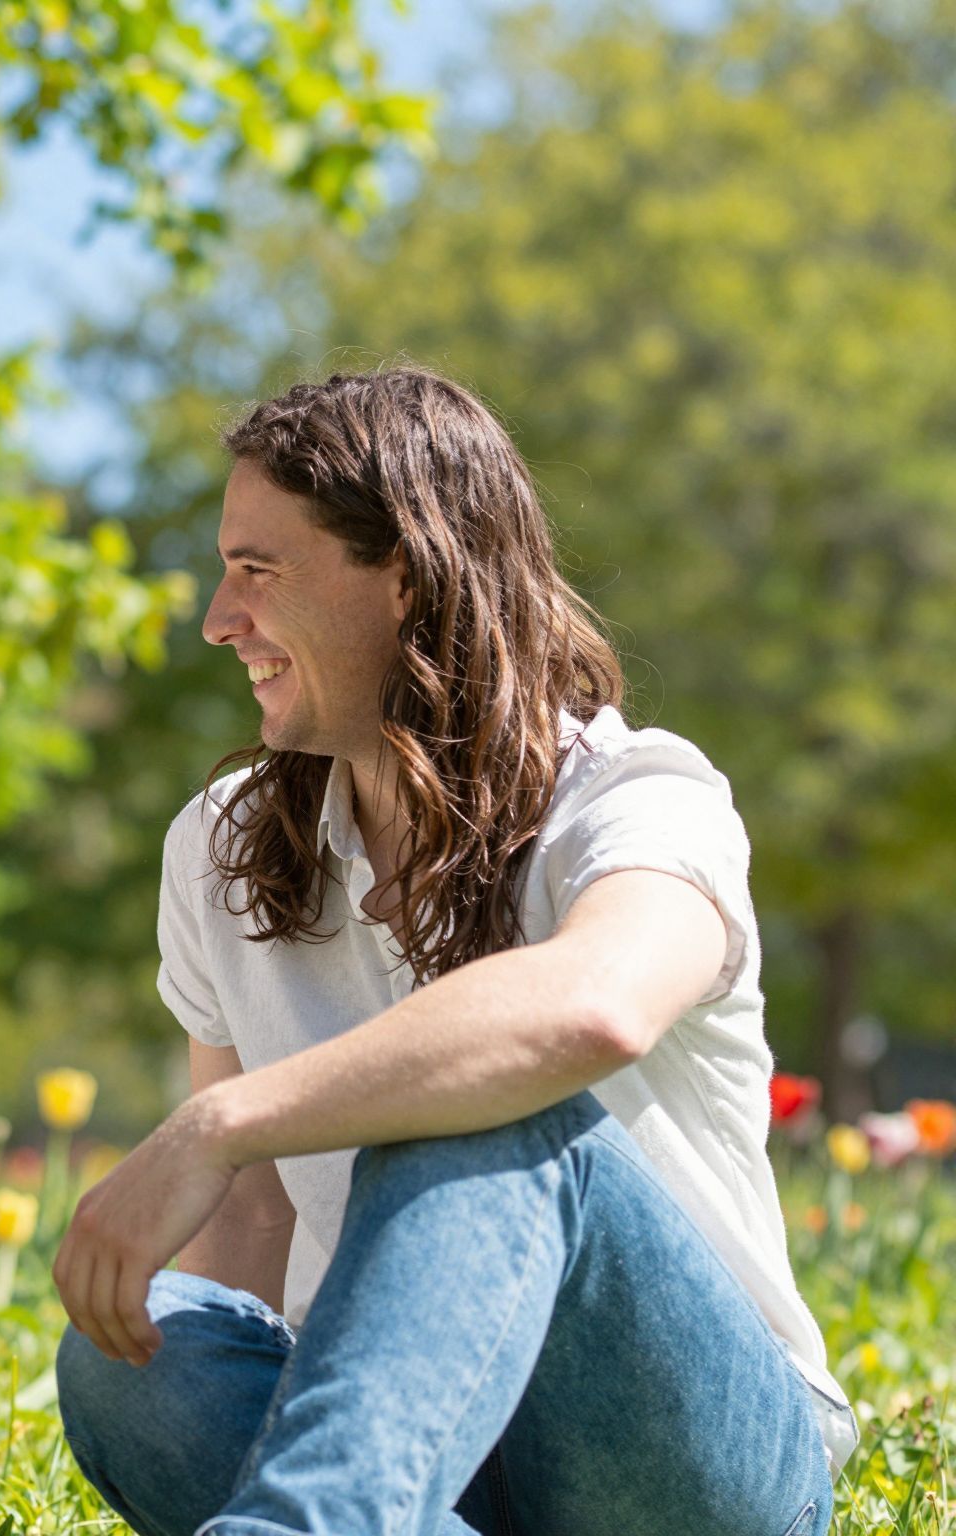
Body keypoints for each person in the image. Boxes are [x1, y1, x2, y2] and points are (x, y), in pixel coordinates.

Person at [52, 368, 855, 1536]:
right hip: (418, 1462)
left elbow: (590, 1011)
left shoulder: (640, 800)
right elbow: (254, 1227)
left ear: (407, 576)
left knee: (493, 1102)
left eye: (257, 572)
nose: (220, 620)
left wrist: (214, 1126)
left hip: (687, 1461)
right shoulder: (215, 850)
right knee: (134, 1355)